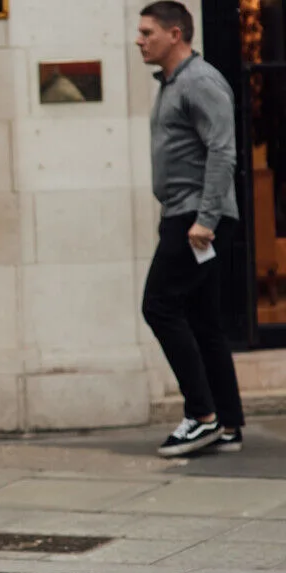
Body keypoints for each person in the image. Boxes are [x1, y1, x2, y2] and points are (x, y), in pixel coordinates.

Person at [137, 1, 246, 457]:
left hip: (196, 217)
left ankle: (201, 416)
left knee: (159, 305)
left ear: (176, 33)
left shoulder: (200, 81)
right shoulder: (172, 84)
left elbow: (223, 151)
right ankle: (228, 424)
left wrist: (205, 219)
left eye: (148, 32)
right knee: (203, 320)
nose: (140, 40)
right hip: (185, 214)